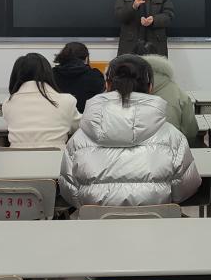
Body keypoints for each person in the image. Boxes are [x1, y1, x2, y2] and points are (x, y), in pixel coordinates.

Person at [60, 54, 200, 207]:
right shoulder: (173, 137)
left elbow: (70, 192)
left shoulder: (78, 139)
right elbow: (184, 190)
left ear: (107, 85)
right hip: (156, 221)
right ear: (150, 87)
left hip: (96, 222)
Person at [2, 53, 81, 148]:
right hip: (56, 157)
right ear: (48, 73)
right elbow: (81, 126)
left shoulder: (8, 103)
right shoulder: (67, 101)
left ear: (15, 76)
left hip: (16, 157)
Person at [133, 43, 199, 142]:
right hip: (171, 147)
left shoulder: (120, 91)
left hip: (132, 149)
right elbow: (191, 132)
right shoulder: (178, 93)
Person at [52, 42, 105, 112]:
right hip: (85, 116)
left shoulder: (51, 74)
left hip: (57, 115)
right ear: (86, 58)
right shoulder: (95, 76)